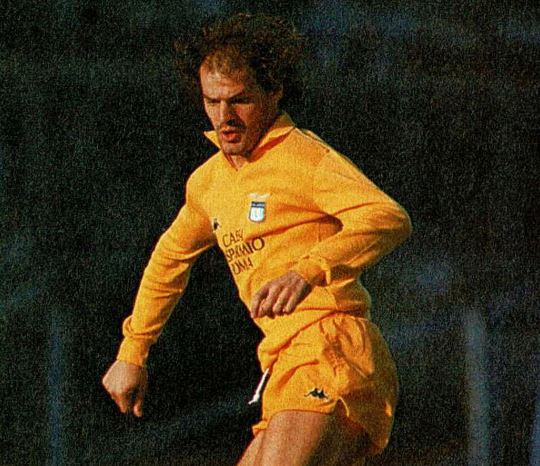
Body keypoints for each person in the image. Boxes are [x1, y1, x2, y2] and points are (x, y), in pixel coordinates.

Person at [102, 13, 412, 465]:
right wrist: (132, 352)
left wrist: (307, 271)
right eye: (212, 101)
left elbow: (387, 216)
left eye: (240, 100)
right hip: (282, 365)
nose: (224, 117)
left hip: (332, 347)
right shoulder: (209, 183)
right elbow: (168, 260)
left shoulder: (303, 156)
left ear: (274, 91)